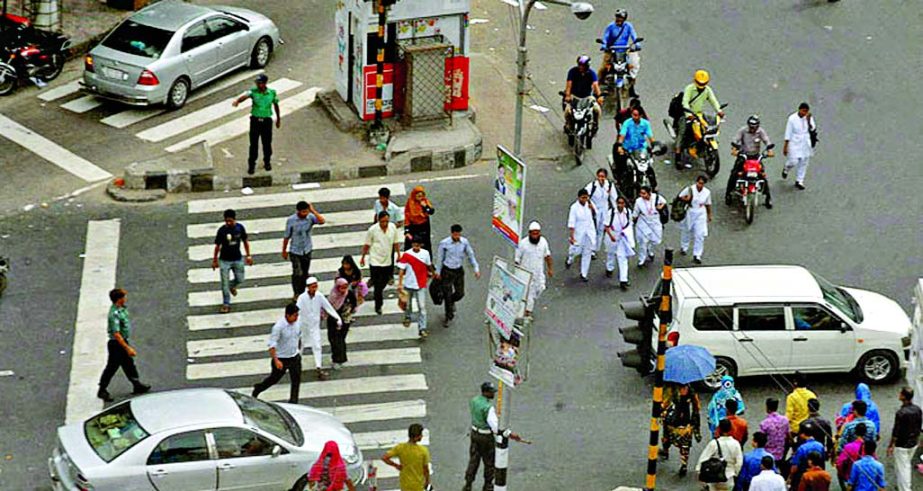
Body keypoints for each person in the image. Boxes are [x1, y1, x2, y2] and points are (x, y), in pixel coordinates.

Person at [97, 288, 150, 401]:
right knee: (112, 367)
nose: (125, 299)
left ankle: (136, 384)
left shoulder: (121, 309)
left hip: (122, 341)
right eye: (123, 297)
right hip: (116, 344)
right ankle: (102, 390)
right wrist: (127, 348)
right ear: (119, 299)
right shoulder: (114, 314)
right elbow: (116, 334)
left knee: (129, 364)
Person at [251, 303, 302, 403]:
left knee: (296, 380)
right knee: (274, 379)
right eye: (295, 315)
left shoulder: (298, 323)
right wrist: (276, 360)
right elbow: (272, 345)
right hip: (281, 358)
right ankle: (258, 389)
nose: (297, 317)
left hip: (294, 357)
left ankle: (294, 401)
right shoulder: (279, 327)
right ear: (288, 315)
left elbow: (298, 336)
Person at [232, 73, 280, 175]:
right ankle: (251, 165)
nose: (258, 85)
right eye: (257, 83)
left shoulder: (272, 93)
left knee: (267, 144)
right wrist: (237, 101)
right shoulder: (253, 91)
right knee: (253, 144)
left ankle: (267, 161)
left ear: (265, 83)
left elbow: (276, 105)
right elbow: (245, 96)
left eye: (260, 83)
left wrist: (278, 119)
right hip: (255, 121)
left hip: (267, 121)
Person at [675, 70, 724, 168]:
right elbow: (685, 102)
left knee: (705, 129)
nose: (701, 85)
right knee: (682, 132)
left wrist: (719, 110)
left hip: (699, 115)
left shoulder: (707, 90)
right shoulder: (689, 89)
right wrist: (688, 114)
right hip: (688, 114)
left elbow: (713, 100)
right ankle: (678, 156)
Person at [434, 224, 480, 327]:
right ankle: (448, 315)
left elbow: (470, 255)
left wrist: (476, 268)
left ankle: (451, 302)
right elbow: (440, 258)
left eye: (458, 234)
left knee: (460, 293)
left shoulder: (464, 242)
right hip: (447, 271)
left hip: (458, 271)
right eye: (455, 234)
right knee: (447, 294)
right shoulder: (444, 243)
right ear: (451, 233)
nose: (457, 236)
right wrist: (438, 271)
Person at [296, 277, 341, 380]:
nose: (315, 288)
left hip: (314, 325)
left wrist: (338, 318)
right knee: (300, 346)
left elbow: (328, 307)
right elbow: (297, 312)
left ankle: (318, 368)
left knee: (317, 346)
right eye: (312, 286)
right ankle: (296, 366)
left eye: (316, 286)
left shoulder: (319, 296)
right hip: (303, 325)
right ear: (308, 287)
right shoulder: (302, 298)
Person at [726, 115, 775, 207]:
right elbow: (735, 139)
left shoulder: (760, 131)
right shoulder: (743, 131)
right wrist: (734, 149)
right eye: (751, 127)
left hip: (755, 157)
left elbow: (767, 140)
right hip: (743, 156)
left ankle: (768, 198)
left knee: (762, 175)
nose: (753, 129)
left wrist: (769, 150)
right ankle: (728, 194)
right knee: (734, 173)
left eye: (755, 127)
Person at [360, 211, 402, 315]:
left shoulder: (392, 228)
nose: (385, 224)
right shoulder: (372, 230)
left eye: (387, 221)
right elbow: (367, 244)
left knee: (384, 280)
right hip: (375, 260)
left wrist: (398, 254)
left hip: (387, 261)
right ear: (378, 220)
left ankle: (375, 285)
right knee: (378, 286)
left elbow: (395, 243)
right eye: (383, 222)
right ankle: (378, 305)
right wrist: (363, 257)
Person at [282, 201, 325, 300]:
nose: (305, 214)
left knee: (305, 273)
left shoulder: (310, 217)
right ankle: (296, 292)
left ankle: (301, 291)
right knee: (297, 273)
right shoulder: (291, 220)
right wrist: (284, 250)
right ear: (298, 211)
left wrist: (313, 210)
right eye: (303, 212)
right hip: (295, 250)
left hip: (307, 249)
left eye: (306, 211)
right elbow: (286, 236)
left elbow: (322, 221)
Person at [212, 208, 253, 313]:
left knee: (240, 279)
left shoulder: (240, 228)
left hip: (237, 258)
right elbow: (217, 246)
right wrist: (215, 260)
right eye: (226, 221)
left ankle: (232, 286)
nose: (228, 223)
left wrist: (248, 256)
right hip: (224, 260)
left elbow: (245, 241)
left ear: (235, 220)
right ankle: (226, 303)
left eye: (230, 221)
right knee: (224, 284)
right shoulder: (222, 231)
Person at [660, 383, 702, 477]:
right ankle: (681, 463)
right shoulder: (691, 392)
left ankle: (668, 453)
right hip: (682, 424)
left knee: (672, 440)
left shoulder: (672, 390)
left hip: (678, 424)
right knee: (681, 445)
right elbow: (697, 406)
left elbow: (665, 403)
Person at [398, 235, 433, 339]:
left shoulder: (425, 254)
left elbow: (428, 265)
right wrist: (400, 283)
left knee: (422, 307)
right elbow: (401, 270)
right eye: (414, 245)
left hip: (421, 284)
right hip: (409, 284)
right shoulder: (407, 255)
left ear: (420, 245)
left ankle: (422, 328)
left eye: (418, 245)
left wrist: (432, 272)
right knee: (408, 305)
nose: (416, 247)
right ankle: (407, 316)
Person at [515, 221, 553, 317]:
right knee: (529, 296)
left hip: (538, 274)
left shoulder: (543, 242)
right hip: (525, 275)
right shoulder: (523, 244)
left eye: (537, 233)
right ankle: (527, 313)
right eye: (533, 233)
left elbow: (547, 256)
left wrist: (550, 269)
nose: (535, 236)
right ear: (529, 233)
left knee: (539, 289)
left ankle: (526, 308)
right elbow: (517, 259)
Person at [563, 55, 603, 147]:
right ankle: (569, 127)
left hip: (587, 97)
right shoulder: (572, 71)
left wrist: (599, 96)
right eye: (580, 65)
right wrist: (568, 95)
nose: (581, 67)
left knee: (597, 109)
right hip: (574, 96)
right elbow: (569, 84)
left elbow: (595, 85)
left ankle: (595, 126)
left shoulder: (592, 73)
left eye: (583, 65)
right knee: (567, 112)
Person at [887, 387, 921, 491]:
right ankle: (900, 485)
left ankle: (905, 488)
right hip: (913, 442)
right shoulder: (917, 409)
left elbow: (896, 431)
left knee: (904, 468)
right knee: (903, 465)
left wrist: (891, 445)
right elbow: (919, 425)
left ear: (903, 396)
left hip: (902, 444)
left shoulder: (901, 413)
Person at [598, 8, 640, 95]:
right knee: (604, 68)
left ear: (624, 19)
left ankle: (632, 88)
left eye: (620, 17)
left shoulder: (628, 26)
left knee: (632, 68)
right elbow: (605, 37)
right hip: (611, 50)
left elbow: (634, 36)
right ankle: (599, 86)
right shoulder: (610, 26)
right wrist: (604, 45)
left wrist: (637, 44)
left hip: (624, 51)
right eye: (617, 17)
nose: (618, 19)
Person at [696, 418, 744, 490]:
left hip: (714, 478)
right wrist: (735, 473)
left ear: (719, 429)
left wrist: (700, 473)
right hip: (729, 477)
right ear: (731, 429)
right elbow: (739, 463)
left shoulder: (713, 444)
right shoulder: (736, 444)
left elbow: (702, 459)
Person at [616, 106, 656, 190]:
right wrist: (620, 146)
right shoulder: (627, 123)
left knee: (648, 167)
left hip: (641, 149)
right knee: (622, 166)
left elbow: (650, 136)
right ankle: (621, 182)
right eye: (633, 115)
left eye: (636, 115)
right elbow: (622, 135)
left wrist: (655, 145)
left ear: (641, 115)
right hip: (628, 149)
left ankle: (653, 185)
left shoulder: (645, 124)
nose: (634, 117)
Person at [383, 423, 431, 491]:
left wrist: (396, 465)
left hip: (405, 483)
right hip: (418, 484)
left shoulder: (400, 447)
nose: (422, 436)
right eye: (420, 434)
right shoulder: (423, 451)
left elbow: (385, 458)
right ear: (416, 437)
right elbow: (426, 469)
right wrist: (427, 481)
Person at [678, 175, 713, 264]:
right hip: (690, 211)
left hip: (701, 213)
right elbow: (680, 197)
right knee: (686, 230)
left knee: (700, 234)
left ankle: (697, 254)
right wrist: (687, 199)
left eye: (702, 183)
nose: (700, 185)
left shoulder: (707, 192)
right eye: (699, 183)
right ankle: (684, 247)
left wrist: (709, 215)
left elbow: (708, 204)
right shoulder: (689, 189)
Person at [584, 168, 619, 257]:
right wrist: (590, 204)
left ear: (606, 177)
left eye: (603, 176)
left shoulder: (609, 185)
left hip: (604, 210)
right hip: (594, 210)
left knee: (600, 230)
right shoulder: (592, 186)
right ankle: (589, 247)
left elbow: (614, 198)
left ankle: (595, 249)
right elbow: (584, 195)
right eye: (599, 176)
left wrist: (616, 211)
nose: (601, 178)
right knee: (593, 229)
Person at [604, 195, 635, 289]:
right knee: (611, 254)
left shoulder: (628, 213)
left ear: (625, 204)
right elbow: (606, 226)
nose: (620, 205)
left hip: (622, 237)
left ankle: (623, 280)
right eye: (618, 203)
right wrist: (611, 236)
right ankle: (609, 268)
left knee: (623, 258)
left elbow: (630, 224)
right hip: (612, 235)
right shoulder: (611, 213)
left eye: (622, 203)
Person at [783, 102, 816, 190]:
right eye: (803, 111)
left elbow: (812, 128)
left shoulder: (809, 117)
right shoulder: (792, 118)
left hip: (805, 141)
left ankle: (799, 180)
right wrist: (785, 146)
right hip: (794, 141)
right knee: (794, 161)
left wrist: (808, 120)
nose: (804, 113)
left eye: (806, 112)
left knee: (804, 161)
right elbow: (788, 132)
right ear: (799, 109)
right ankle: (786, 168)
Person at [566, 188, 597, 282]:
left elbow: (596, 215)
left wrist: (592, 209)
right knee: (575, 251)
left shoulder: (590, 204)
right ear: (579, 197)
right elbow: (571, 223)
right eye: (583, 198)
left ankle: (584, 273)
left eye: (586, 198)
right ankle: (569, 259)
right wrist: (571, 236)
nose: (584, 200)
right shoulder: (574, 207)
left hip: (589, 232)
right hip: (579, 232)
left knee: (587, 252)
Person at [631, 185, 665, 267]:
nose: (642, 195)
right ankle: (641, 259)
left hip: (655, 220)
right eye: (641, 193)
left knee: (656, 240)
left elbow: (664, 202)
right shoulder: (638, 201)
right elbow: (635, 213)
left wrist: (660, 207)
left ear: (649, 193)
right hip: (644, 221)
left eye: (644, 193)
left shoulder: (656, 197)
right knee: (643, 241)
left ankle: (650, 249)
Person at [326, 278, 357, 370]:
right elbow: (328, 307)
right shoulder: (333, 296)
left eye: (345, 287)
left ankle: (338, 359)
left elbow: (354, 304)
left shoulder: (349, 294)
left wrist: (349, 311)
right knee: (333, 339)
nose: (343, 290)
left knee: (339, 340)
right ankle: (337, 357)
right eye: (341, 288)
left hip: (345, 320)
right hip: (333, 320)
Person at [789, 424, 825, 490]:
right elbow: (823, 460)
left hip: (804, 474)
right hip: (818, 475)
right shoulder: (820, 445)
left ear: (803, 434)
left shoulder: (802, 448)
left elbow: (795, 467)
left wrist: (790, 477)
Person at [836, 423, 868, 491]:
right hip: (865, 478)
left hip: (849, 476)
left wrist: (842, 473)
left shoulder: (848, 447)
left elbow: (839, 463)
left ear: (855, 432)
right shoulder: (868, 448)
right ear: (865, 433)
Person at [404, 186, 435, 252]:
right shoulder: (410, 203)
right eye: (418, 196)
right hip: (413, 228)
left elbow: (431, 211)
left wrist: (425, 206)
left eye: (421, 196)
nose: (420, 198)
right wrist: (407, 231)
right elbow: (407, 216)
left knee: (425, 245)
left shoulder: (425, 202)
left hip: (424, 227)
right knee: (411, 245)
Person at [759, 397, 790, 465]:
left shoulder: (764, 424)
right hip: (781, 452)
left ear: (767, 407)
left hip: (768, 454)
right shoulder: (785, 420)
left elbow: (761, 440)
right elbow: (788, 435)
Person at [787, 372, 818, 437]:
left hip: (796, 429)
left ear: (795, 383)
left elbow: (789, 415)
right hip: (809, 427)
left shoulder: (791, 397)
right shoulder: (812, 395)